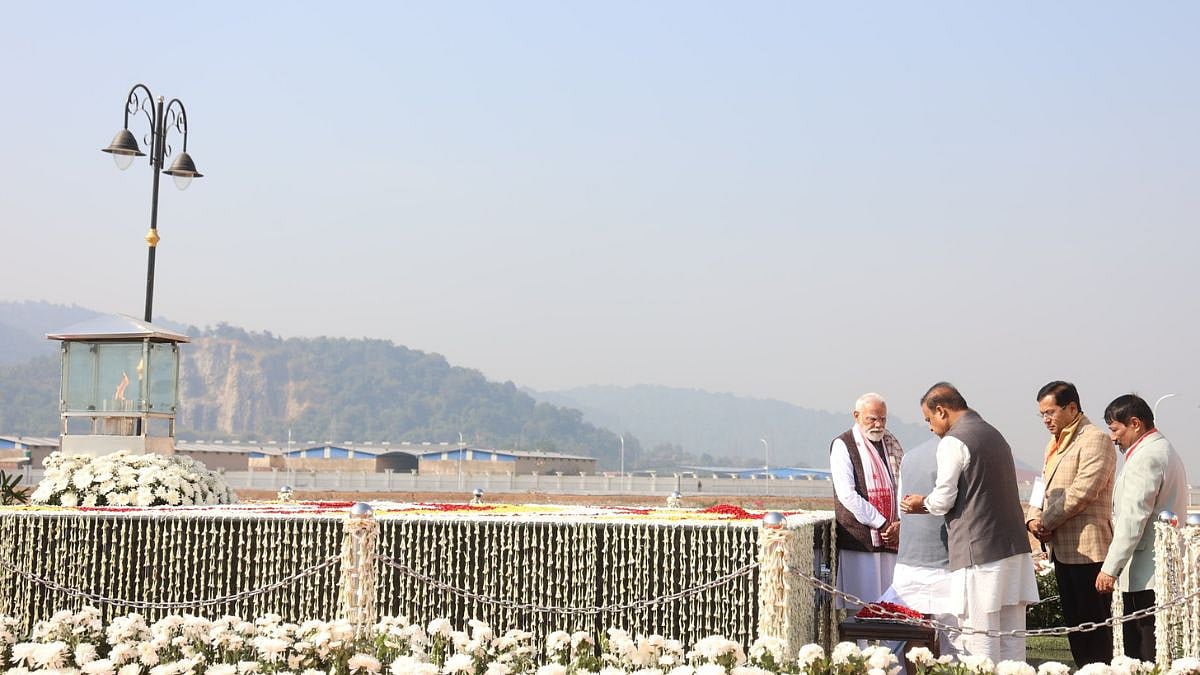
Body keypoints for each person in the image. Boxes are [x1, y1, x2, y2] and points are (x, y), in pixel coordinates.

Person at [900, 383, 1038, 661]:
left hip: (980, 553)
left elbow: (943, 499)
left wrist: (919, 503)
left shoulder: (953, 441)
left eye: (929, 419)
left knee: (980, 639)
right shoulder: (995, 435)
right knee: (1012, 639)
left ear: (942, 411)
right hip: (1014, 550)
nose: (930, 427)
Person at [1024, 381, 1115, 667]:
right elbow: (1043, 486)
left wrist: (1046, 521)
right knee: (1075, 628)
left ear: (1072, 408)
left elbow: (1083, 491)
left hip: (1089, 550)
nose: (1046, 420)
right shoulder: (1055, 443)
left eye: (1050, 412)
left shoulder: (1094, 439)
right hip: (1061, 550)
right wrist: (1031, 518)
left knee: (1095, 629)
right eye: (1042, 415)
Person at [1095, 394, 1188, 662]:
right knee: (1155, 651)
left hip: (1144, 573)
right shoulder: (1163, 449)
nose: (1112, 438)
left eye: (1115, 429)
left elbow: (1132, 520)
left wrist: (1110, 568)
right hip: (1156, 569)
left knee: (1144, 654)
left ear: (1135, 423)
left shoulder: (1147, 457)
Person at [879, 437, 957, 657]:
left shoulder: (911, 456)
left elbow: (900, 505)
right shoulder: (963, 452)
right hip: (949, 562)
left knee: (911, 632)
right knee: (954, 642)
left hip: (911, 560)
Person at [830, 392, 904, 610]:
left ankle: (891, 645)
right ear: (856, 415)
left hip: (892, 537)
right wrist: (881, 523)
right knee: (861, 607)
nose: (878, 424)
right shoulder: (844, 445)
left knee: (892, 606)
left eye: (882, 419)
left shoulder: (890, 444)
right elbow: (847, 494)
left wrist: (898, 524)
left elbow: (901, 486)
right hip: (860, 539)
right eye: (872, 418)